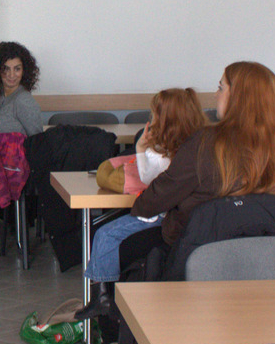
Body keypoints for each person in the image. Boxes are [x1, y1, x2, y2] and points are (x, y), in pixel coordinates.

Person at [82, 63, 275, 344]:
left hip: (206, 260)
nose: (216, 94)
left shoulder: (206, 143)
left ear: (239, 98)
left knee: (120, 245)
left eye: (221, 87)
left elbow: (152, 201)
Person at [82, 88, 208, 285]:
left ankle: (103, 293)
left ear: (166, 120)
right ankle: (104, 291)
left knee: (105, 235)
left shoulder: (170, 158)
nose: (152, 119)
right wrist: (142, 149)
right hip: (174, 217)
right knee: (105, 233)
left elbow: (149, 182)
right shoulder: (191, 148)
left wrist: (144, 150)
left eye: (155, 115)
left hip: (163, 218)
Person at [0, 41, 42, 135]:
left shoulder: (24, 101)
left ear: (24, 71)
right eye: (6, 69)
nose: (11, 75)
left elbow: (38, 140)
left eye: (17, 69)